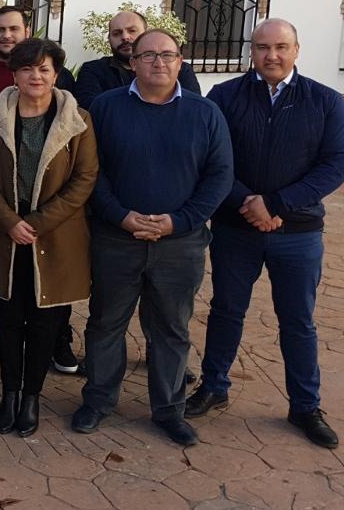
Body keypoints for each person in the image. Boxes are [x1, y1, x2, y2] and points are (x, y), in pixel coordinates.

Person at [187, 19, 344, 449]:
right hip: (237, 228)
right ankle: (214, 386)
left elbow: (334, 164)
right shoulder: (225, 96)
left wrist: (275, 204)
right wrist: (248, 203)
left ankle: (305, 405)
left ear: (297, 49)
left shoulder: (328, 101)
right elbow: (213, 157)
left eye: (281, 47)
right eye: (262, 47)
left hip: (298, 232)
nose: (271, 55)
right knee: (226, 311)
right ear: (250, 51)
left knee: (298, 321)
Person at [72, 29, 233, 447]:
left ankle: (168, 411)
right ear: (133, 62)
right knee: (106, 323)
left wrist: (178, 222)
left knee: (171, 330)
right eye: (148, 56)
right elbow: (92, 171)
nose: (158, 62)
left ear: (180, 61)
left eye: (167, 55)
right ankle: (98, 401)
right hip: (116, 239)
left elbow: (219, 176)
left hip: (180, 244)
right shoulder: (106, 108)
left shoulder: (205, 113)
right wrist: (122, 217)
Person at [0, 39, 99, 438]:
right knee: (9, 318)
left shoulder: (79, 121)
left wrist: (39, 221)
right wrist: (9, 220)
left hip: (53, 236)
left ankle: (31, 397)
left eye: (44, 69)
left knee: (45, 321)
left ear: (56, 74)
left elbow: (84, 179)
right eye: (27, 69)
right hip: (6, 235)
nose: (35, 76)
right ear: (15, 74)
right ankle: (9, 393)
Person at [0, 6, 78, 370]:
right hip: (3, 205)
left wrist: (43, 219)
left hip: (53, 214)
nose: (6, 35)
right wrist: (5, 216)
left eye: (13, 28)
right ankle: (9, 347)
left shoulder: (68, 98)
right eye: (0, 29)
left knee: (52, 288)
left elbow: (80, 168)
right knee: (10, 292)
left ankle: (58, 343)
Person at [73, 9, 200, 111]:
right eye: (117, 33)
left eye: (132, 31)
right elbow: (91, 110)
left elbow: (192, 108)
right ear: (109, 39)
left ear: (146, 33)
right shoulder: (94, 70)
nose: (125, 37)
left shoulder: (179, 69)